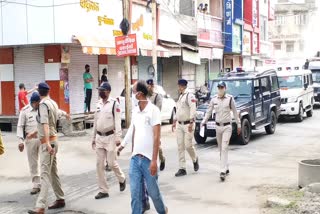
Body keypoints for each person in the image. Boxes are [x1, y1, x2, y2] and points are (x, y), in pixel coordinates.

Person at [118, 80, 168, 214]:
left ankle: (163, 210)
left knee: (153, 193)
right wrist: (122, 145)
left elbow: (157, 137)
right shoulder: (135, 111)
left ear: (139, 94)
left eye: (133, 92)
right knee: (135, 194)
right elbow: (132, 129)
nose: (131, 95)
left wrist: (154, 161)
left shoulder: (153, 111)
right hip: (135, 159)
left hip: (148, 160)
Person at [28, 82, 69, 214]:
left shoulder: (43, 105)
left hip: (48, 142)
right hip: (53, 140)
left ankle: (40, 206)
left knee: (44, 174)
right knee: (53, 172)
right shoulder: (53, 103)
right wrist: (34, 133)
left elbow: (45, 124)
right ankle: (60, 198)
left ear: (39, 93)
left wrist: (46, 143)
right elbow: (47, 123)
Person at [92, 82, 126, 199]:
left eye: (102, 90)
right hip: (99, 137)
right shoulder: (98, 104)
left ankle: (122, 178)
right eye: (99, 90)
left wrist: (118, 138)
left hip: (110, 137)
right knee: (99, 164)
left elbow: (117, 122)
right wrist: (93, 139)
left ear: (108, 91)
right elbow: (95, 123)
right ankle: (103, 190)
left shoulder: (114, 104)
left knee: (111, 163)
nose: (100, 92)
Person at [201, 81, 241, 182]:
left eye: (222, 87)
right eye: (219, 87)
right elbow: (209, 112)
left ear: (225, 88)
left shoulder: (230, 99)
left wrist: (239, 124)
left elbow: (235, 113)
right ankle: (226, 166)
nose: (220, 89)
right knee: (221, 149)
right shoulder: (214, 99)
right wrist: (203, 122)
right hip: (218, 127)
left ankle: (222, 171)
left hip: (227, 126)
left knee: (224, 147)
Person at [172, 79, 199, 177]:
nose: (178, 87)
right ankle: (182, 168)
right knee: (180, 146)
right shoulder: (180, 96)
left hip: (188, 124)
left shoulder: (189, 95)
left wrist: (192, 122)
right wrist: (175, 121)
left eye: (179, 86)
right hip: (180, 124)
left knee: (188, 145)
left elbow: (193, 108)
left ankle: (195, 159)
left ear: (183, 86)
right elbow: (178, 110)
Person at [17, 92, 41, 195]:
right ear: (33, 102)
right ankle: (36, 185)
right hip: (30, 140)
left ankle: (44, 182)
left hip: (42, 139)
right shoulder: (24, 111)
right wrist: (20, 141)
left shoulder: (42, 108)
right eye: (37, 103)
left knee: (45, 162)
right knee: (33, 163)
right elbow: (20, 126)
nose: (39, 105)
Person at [146, 79, 166, 170]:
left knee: (157, 144)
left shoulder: (157, 96)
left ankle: (162, 159)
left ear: (152, 86)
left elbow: (157, 110)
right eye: (147, 86)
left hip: (155, 123)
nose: (148, 87)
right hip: (146, 124)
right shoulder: (145, 96)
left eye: (150, 86)